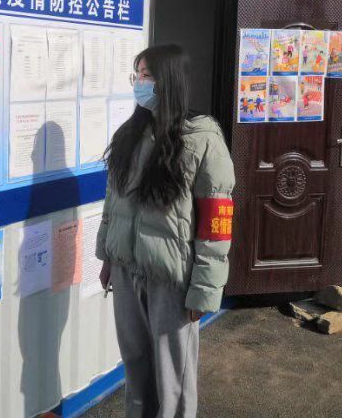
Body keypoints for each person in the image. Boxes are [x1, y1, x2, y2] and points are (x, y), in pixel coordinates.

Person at [97, 44, 235, 418]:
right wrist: (107, 256)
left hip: (172, 282)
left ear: (169, 81)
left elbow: (216, 223)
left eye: (147, 75)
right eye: (137, 75)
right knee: (136, 368)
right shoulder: (130, 134)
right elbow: (113, 202)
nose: (139, 83)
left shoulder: (202, 139)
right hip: (127, 272)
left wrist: (205, 290)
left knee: (173, 376)